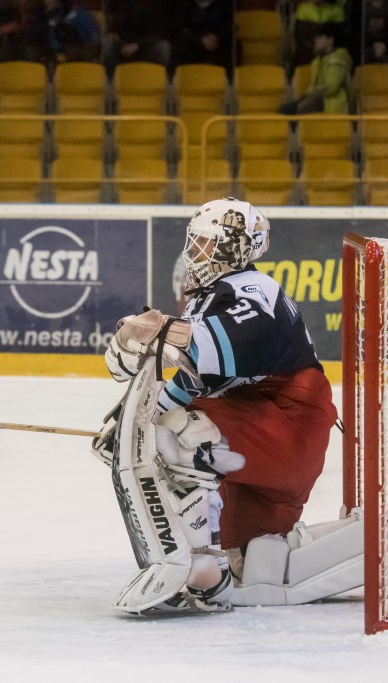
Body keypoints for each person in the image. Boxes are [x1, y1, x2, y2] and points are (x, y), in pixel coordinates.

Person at [103, 198, 340, 610]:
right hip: (260, 435)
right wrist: (134, 423)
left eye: (208, 244)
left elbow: (225, 345)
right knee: (256, 564)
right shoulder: (207, 300)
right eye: (195, 242)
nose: (195, 253)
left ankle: (194, 568)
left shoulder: (254, 287)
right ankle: (211, 566)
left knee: (182, 436)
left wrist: (153, 329)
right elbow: (202, 378)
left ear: (239, 249)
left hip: (288, 421)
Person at [279, 25, 351, 115]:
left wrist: (312, 96)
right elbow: (313, 85)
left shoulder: (338, 60)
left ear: (330, 40)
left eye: (320, 37)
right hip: (318, 98)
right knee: (286, 108)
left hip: (331, 102)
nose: (316, 41)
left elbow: (332, 88)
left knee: (298, 110)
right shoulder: (317, 61)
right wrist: (305, 97)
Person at [102, 0, 173, 75]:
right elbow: (114, 18)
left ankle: (155, 80)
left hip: (149, 43)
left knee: (163, 47)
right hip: (123, 41)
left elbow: (162, 30)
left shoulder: (159, 4)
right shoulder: (122, 3)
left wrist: (139, 45)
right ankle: (111, 81)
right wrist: (111, 32)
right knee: (108, 44)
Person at [173, 0, 233, 71]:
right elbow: (180, 29)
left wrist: (216, 37)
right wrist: (199, 40)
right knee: (180, 45)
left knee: (233, 45)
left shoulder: (224, 5)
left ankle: (228, 79)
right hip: (192, 44)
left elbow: (229, 26)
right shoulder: (185, 6)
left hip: (218, 43)